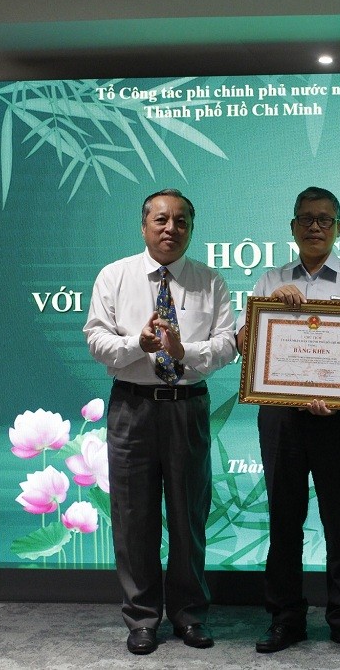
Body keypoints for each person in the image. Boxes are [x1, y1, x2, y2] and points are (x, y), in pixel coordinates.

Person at [237, 186, 340, 655]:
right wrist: (260, 318)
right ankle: (286, 619)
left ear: (339, 228)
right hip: (281, 419)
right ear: (292, 227)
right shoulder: (270, 281)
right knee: (285, 520)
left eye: (325, 219)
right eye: (306, 218)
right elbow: (247, 345)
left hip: (338, 420)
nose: (315, 227)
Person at [84, 189, 237, 655]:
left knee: (189, 515)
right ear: (144, 225)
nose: (171, 229)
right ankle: (143, 618)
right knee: (134, 518)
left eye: (182, 221)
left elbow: (228, 344)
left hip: (187, 406)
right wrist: (139, 344)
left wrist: (181, 352)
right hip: (132, 406)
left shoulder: (210, 281)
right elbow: (95, 338)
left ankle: (190, 615)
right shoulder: (115, 276)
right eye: (162, 220)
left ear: (192, 226)